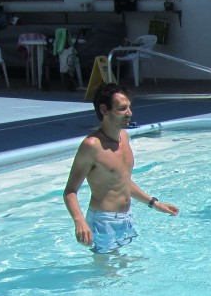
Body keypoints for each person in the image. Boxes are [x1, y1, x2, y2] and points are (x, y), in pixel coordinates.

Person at [63, 83, 179, 254]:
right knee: (106, 276)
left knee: (128, 271)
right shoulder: (92, 146)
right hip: (103, 221)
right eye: (122, 108)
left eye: (129, 108)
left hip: (127, 217)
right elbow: (70, 191)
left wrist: (154, 203)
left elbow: (122, 180)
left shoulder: (124, 137)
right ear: (104, 110)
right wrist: (79, 221)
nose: (129, 113)